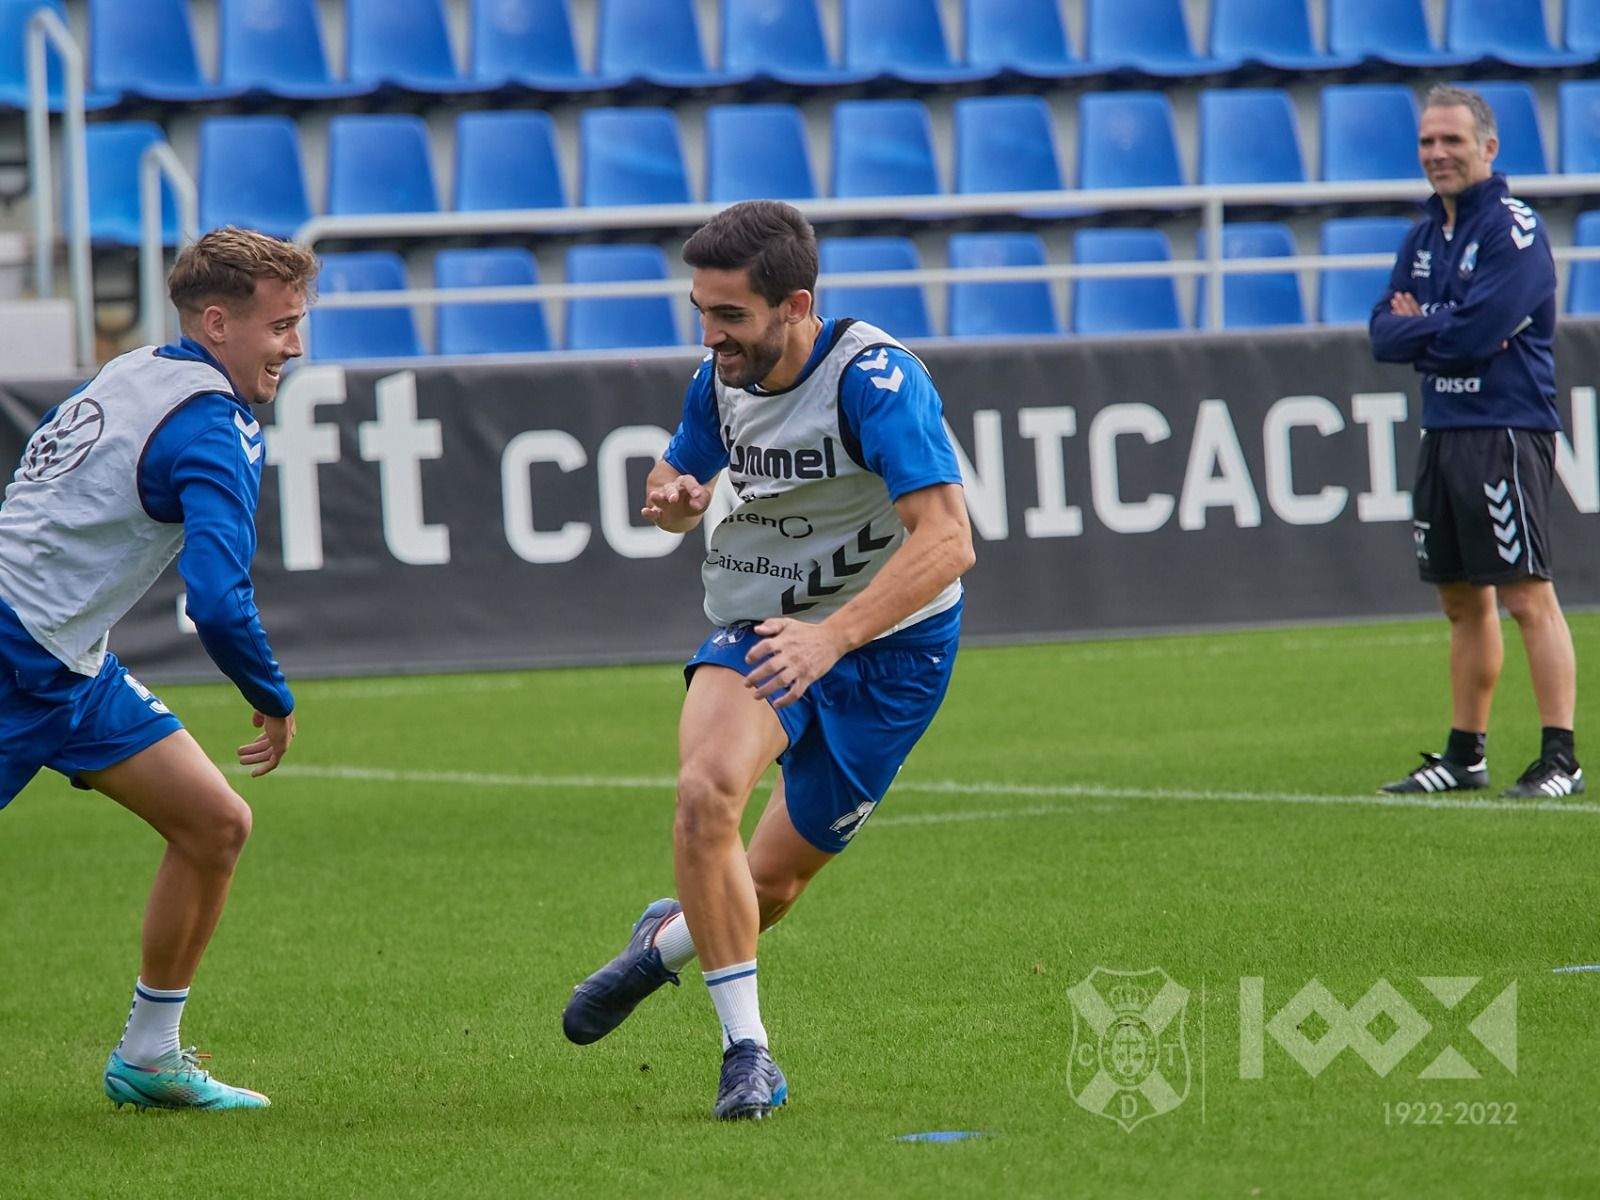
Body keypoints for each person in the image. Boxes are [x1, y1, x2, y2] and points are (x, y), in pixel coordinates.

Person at [561, 200, 975, 1120]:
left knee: (769, 884)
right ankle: (748, 1052)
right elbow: (681, 480)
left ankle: (662, 947)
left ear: (797, 304)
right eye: (700, 312)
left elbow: (947, 542)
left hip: (893, 647)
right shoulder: (718, 376)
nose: (710, 336)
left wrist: (835, 637)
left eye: (729, 316)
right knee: (707, 791)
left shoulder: (876, 380)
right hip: (760, 624)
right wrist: (671, 498)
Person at [0, 227, 315, 1109]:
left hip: (63, 662)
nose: (295, 345)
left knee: (215, 824)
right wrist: (271, 696)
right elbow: (217, 598)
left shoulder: (137, 368)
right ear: (217, 323)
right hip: (16, 658)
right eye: (281, 326)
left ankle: (148, 1055)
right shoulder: (215, 426)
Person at [1370, 85, 1580, 800]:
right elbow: (1381, 333)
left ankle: (1561, 757)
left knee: (1527, 594)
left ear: (1489, 148)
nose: (1437, 154)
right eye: (1428, 142)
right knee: (1461, 601)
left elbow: (1474, 332)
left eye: (1452, 141)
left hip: (1505, 428)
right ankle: (1466, 755)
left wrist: (1426, 325)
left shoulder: (1513, 230)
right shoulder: (1424, 236)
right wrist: (1444, 327)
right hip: (1445, 428)